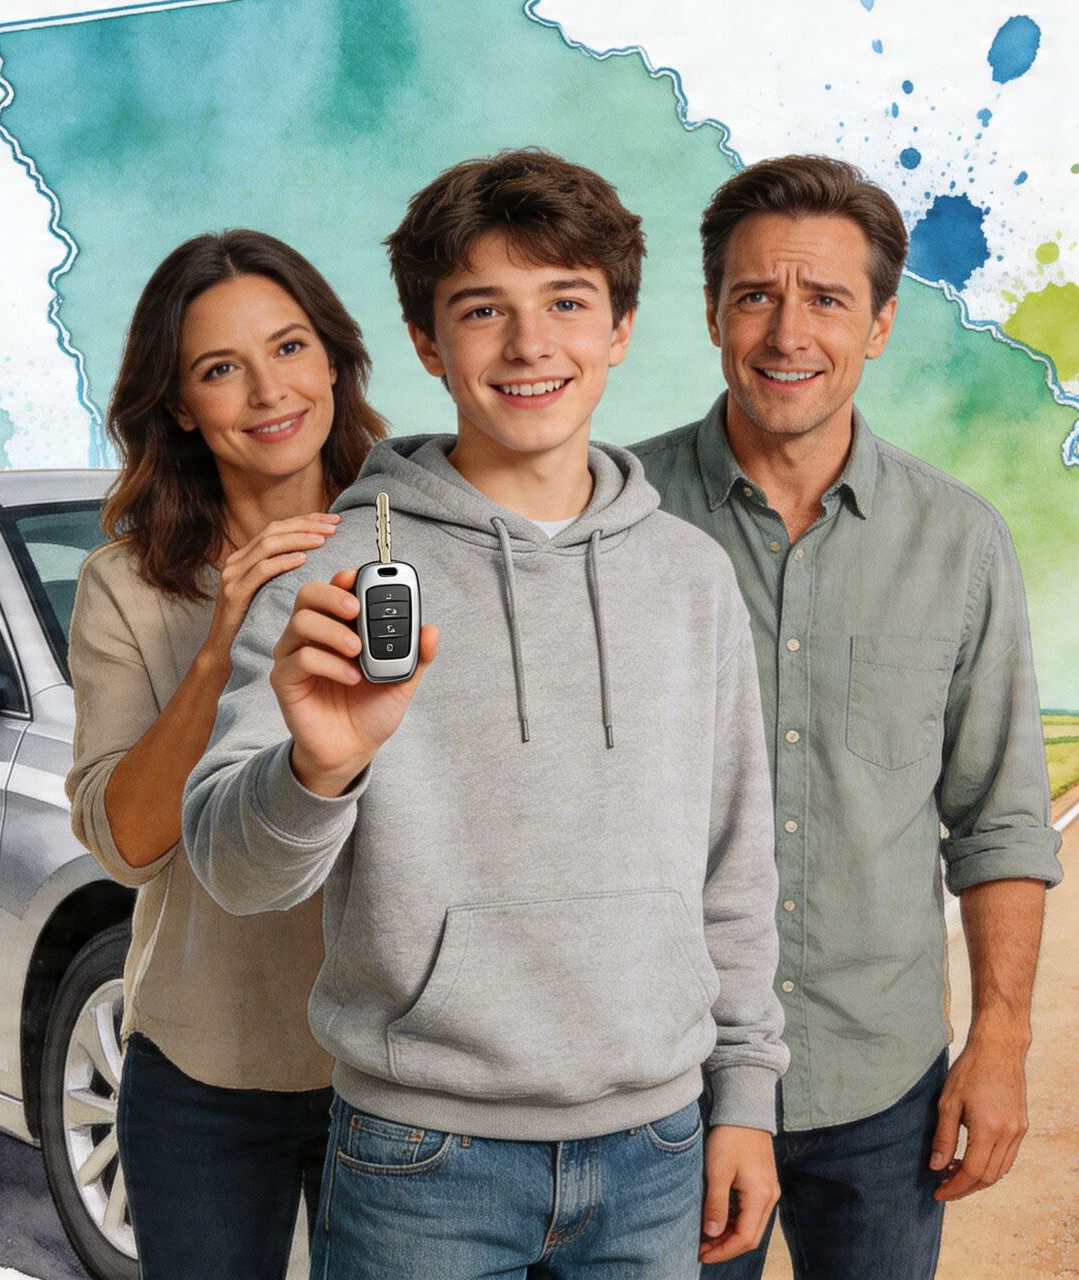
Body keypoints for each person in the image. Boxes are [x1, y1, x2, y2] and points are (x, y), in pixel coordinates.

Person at [181, 149, 788, 1279]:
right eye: (481, 310)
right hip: (423, 1155)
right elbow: (232, 869)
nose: (528, 346)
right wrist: (316, 772)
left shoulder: (690, 576)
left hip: (659, 1143)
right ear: (426, 343)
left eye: (565, 302)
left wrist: (744, 1095)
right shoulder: (332, 576)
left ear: (619, 329)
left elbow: (734, 863)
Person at [630, 154, 1065, 1280]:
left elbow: (998, 817)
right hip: (656, 1086)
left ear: (877, 325)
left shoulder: (958, 543)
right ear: (714, 314)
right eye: (756, 297)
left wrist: (1001, 1042)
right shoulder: (612, 521)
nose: (788, 332)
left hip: (878, 1087)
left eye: (825, 299)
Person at [64, 229, 387, 1279]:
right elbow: (129, 845)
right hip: (205, 1067)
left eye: (290, 348)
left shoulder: (420, 538)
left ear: (333, 358)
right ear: (179, 408)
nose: (267, 391)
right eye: (219, 369)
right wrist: (222, 643)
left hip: (401, 1070)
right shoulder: (126, 586)